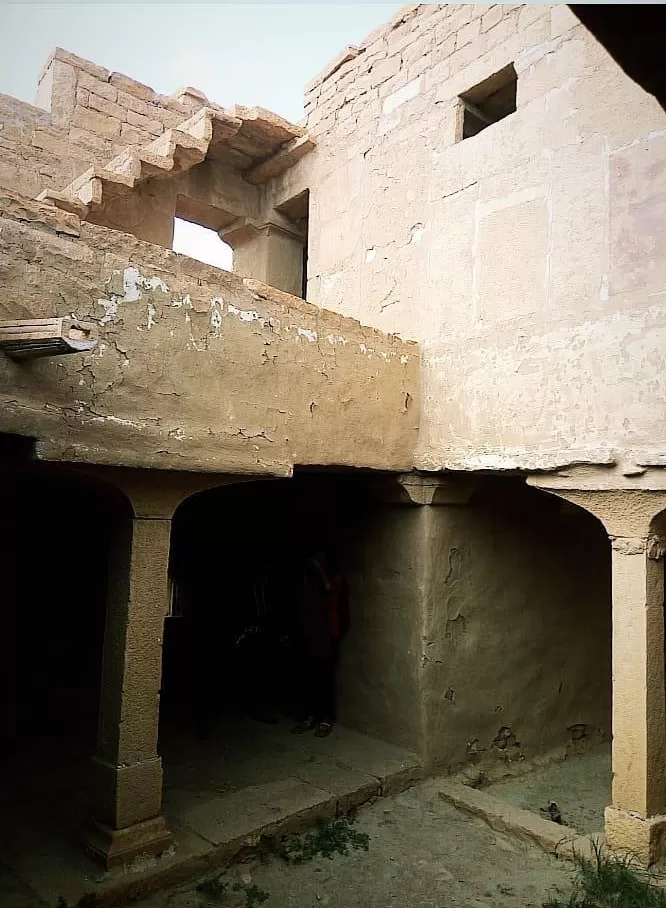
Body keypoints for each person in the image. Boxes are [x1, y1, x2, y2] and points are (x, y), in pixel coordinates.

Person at [291, 550, 350, 738]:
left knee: (325, 678)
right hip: (312, 633)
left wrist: (319, 569)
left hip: (328, 634)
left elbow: (330, 589)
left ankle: (326, 718)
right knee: (309, 677)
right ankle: (310, 716)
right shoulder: (308, 581)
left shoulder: (335, 577)